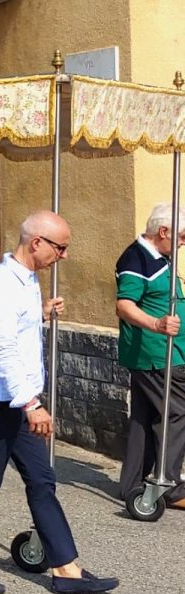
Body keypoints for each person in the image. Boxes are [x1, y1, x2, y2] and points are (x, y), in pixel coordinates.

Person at [0, 210, 119, 594]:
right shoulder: (4, 284)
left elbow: (16, 329)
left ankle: (66, 568)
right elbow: (3, 348)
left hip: (17, 399)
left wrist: (41, 314)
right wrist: (30, 404)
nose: (63, 255)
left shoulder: (26, 281)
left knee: (42, 480)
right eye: (60, 247)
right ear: (36, 242)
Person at [114, 203, 185, 509]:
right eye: (182, 235)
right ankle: (168, 485)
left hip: (162, 352)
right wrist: (157, 324)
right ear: (163, 231)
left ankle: (132, 484)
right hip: (155, 354)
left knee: (144, 417)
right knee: (178, 412)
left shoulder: (160, 257)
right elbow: (125, 305)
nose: (184, 242)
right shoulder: (136, 258)